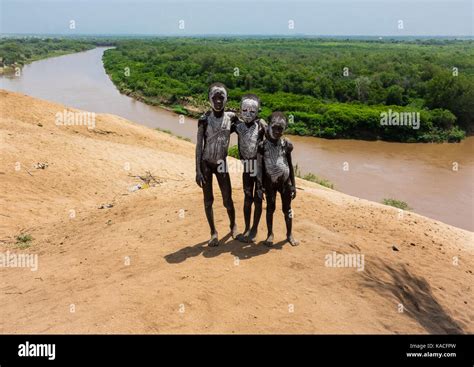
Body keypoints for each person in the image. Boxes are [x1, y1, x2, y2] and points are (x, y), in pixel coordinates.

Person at [195, 83, 240, 247]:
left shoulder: (231, 118)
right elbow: (199, 146)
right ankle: (213, 232)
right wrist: (197, 170)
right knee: (208, 201)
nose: (218, 101)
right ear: (209, 99)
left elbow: (244, 128)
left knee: (227, 199)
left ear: (226, 99)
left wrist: (260, 122)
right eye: (215, 97)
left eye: (221, 97)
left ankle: (233, 225)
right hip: (206, 164)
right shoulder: (204, 120)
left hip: (221, 164)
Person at [257, 112, 299, 247]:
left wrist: (293, 184)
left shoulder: (286, 145)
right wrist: (260, 185)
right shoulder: (262, 146)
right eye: (274, 127)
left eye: (280, 129)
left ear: (284, 129)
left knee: (287, 209)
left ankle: (289, 234)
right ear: (269, 127)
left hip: (285, 182)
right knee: (270, 208)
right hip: (270, 183)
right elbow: (260, 168)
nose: (277, 131)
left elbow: (290, 165)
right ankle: (270, 234)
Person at [234, 94, 267, 242]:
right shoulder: (238, 126)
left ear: (258, 112)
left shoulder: (260, 126)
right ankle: (247, 228)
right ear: (240, 110)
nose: (248, 114)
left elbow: (273, 138)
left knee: (258, 197)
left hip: (259, 169)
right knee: (247, 197)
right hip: (247, 167)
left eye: (252, 111)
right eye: (244, 110)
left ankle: (254, 230)